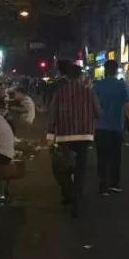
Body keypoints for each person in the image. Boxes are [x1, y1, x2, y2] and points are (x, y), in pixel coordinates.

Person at [48, 61, 99, 216]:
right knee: (80, 168)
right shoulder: (88, 92)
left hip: (64, 135)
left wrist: (50, 134)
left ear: (68, 77)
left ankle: (68, 193)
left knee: (63, 166)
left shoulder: (60, 93)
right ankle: (77, 193)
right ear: (81, 76)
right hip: (84, 135)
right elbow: (98, 112)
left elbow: (52, 114)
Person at [93, 60, 129, 195]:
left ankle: (103, 186)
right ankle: (114, 184)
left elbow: (93, 105)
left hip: (100, 127)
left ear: (105, 70)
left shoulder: (97, 85)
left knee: (102, 157)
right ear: (117, 70)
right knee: (115, 157)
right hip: (116, 127)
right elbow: (128, 107)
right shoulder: (121, 85)